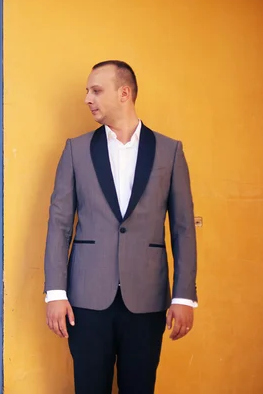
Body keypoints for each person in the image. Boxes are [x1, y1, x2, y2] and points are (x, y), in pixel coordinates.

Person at [44, 60, 198, 394]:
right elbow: (59, 224)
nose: (87, 98)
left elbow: (183, 227)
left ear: (124, 93)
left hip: (148, 297)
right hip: (86, 298)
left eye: (96, 90)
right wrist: (55, 292)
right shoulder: (77, 149)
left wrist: (184, 295)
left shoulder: (170, 151)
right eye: (87, 91)